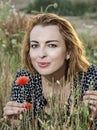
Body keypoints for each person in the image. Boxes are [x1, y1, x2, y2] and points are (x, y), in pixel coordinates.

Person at [3, 13, 97, 129]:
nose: (41, 54)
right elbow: (19, 125)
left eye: (51, 45)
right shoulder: (26, 78)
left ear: (69, 51)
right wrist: (12, 125)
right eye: (35, 45)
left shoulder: (91, 78)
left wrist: (92, 121)